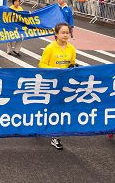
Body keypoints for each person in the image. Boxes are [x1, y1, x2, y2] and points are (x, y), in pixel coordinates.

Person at [39, 22, 76, 150]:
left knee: (59, 110)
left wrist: (73, 67)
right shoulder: (50, 48)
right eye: (63, 32)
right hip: (50, 84)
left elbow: (72, 64)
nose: (66, 35)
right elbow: (41, 65)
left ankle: (55, 136)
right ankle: (39, 124)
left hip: (64, 84)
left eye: (67, 33)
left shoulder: (71, 48)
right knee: (48, 108)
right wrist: (54, 69)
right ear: (56, 34)